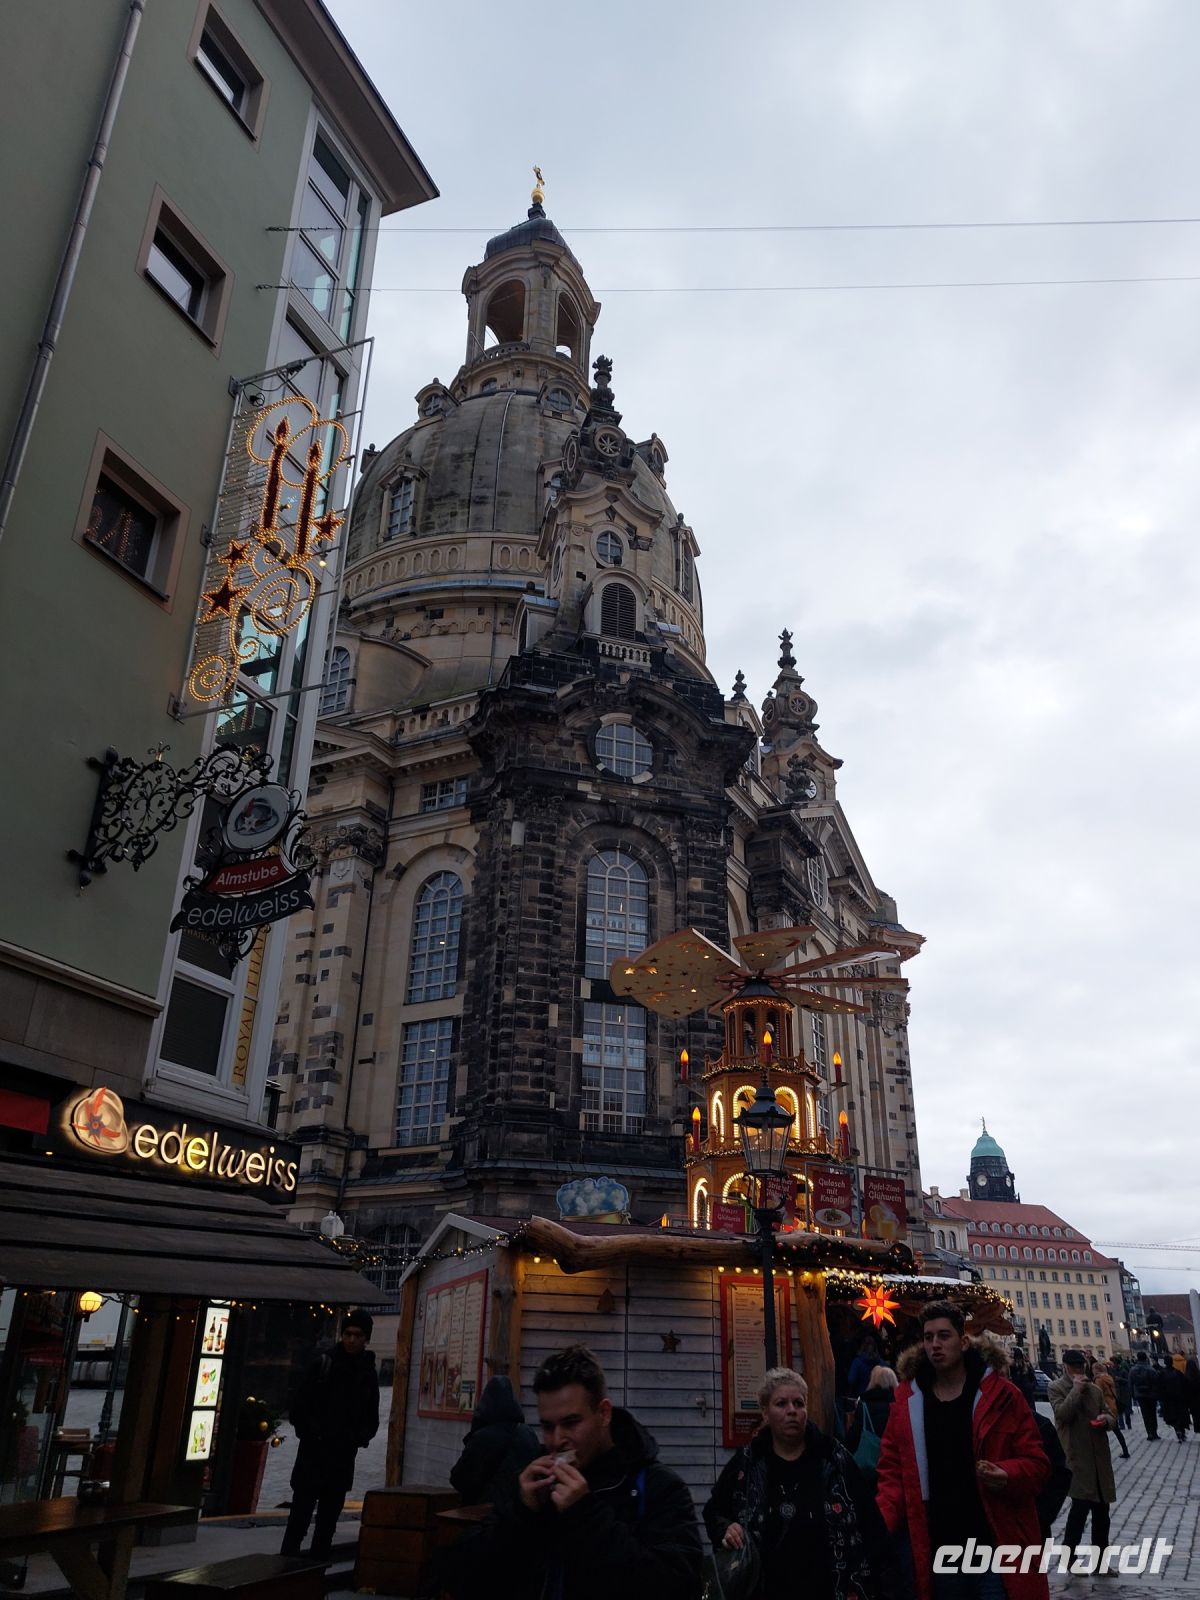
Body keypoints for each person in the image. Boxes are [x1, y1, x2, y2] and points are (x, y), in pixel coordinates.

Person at [445, 1344, 702, 1600]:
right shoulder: (537, 1484)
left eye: (571, 1423)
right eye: (547, 1426)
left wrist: (586, 1515)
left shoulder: (659, 1487)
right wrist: (520, 1512)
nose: (557, 1440)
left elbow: (678, 1586)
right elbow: (465, 1576)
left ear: (603, 1413)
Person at [875, 1301, 1049, 1600]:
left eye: (944, 1336)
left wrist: (1006, 1473)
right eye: (928, 1338)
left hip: (994, 1542)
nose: (935, 1345)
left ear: (964, 1341)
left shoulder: (1002, 1396)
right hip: (940, 1546)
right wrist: (878, 1524)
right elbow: (892, 1472)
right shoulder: (907, 1402)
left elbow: (1038, 1464)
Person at [704, 1366, 892, 1600]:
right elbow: (714, 1511)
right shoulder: (748, 1463)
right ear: (765, 1412)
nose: (792, 1411)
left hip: (830, 1588)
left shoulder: (833, 1459)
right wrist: (727, 1528)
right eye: (781, 1404)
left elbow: (871, 1523)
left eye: (799, 1403)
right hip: (765, 1589)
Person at [281, 1309, 380, 1558]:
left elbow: (372, 1415)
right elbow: (299, 1407)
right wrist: (314, 1433)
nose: (352, 1340)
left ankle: (314, 1570)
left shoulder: (367, 1372)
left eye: (357, 1335)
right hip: (314, 1454)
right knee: (299, 1519)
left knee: (327, 1524)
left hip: (341, 1457)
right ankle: (286, 1570)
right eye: (347, 1334)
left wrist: (357, 1438)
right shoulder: (324, 1363)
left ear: (366, 1338)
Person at [1047, 1351, 1115, 1567]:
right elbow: (1063, 1414)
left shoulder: (1095, 1389)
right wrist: (1076, 1390)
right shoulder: (1056, 1387)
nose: (1078, 1370)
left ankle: (1101, 1562)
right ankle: (1069, 1558)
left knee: (1102, 1513)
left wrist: (1107, 1420)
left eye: (1081, 1365)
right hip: (1077, 1457)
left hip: (1098, 1457)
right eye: (1074, 1366)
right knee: (1079, 1511)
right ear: (1065, 1367)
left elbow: (1110, 1414)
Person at [449, 1374, 541, 1514]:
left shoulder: (483, 1437)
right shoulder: (528, 1433)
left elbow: (460, 1478)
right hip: (521, 1511)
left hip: (484, 1514)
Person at [1089, 1360, 1129, 1460]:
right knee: (1116, 1430)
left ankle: (1102, 1454)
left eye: (1093, 1369)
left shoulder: (1099, 1380)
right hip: (1113, 1404)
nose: (1092, 1371)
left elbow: (1097, 1394)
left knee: (1101, 1431)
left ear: (1097, 1370)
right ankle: (1125, 1451)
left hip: (1105, 1406)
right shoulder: (1108, 1377)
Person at [1155, 1359, 1189, 1442]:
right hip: (1179, 1398)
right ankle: (1182, 1432)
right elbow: (1185, 1384)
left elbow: (1159, 1386)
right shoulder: (1178, 1372)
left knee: (1172, 1416)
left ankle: (1178, 1430)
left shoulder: (1162, 1374)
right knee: (1180, 1415)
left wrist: (1160, 1397)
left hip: (1168, 1400)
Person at [1129, 1351, 1159, 1440]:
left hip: (1140, 1394)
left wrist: (1132, 1395)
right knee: (1153, 1413)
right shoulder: (1151, 1369)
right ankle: (1154, 1432)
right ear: (1146, 1358)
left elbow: (1130, 1383)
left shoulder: (1133, 1369)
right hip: (1151, 1394)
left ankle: (1149, 1433)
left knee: (1145, 1414)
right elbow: (1156, 1382)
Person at [1111, 1359, 1133, 1432]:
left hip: (1124, 1392)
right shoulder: (1112, 1371)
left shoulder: (1123, 1371)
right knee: (1119, 1411)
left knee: (1126, 1411)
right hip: (1117, 1393)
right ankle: (1122, 1425)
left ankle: (1128, 1424)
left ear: (1117, 1363)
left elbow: (1127, 1381)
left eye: (1113, 1363)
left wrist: (1119, 1379)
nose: (1113, 1365)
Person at [1183, 1357, 1200, 1433]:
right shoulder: (1199, 1375)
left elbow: (1185, 1392)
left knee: (1196, 1418)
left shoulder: (1186, 1378)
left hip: (1192, 1403)